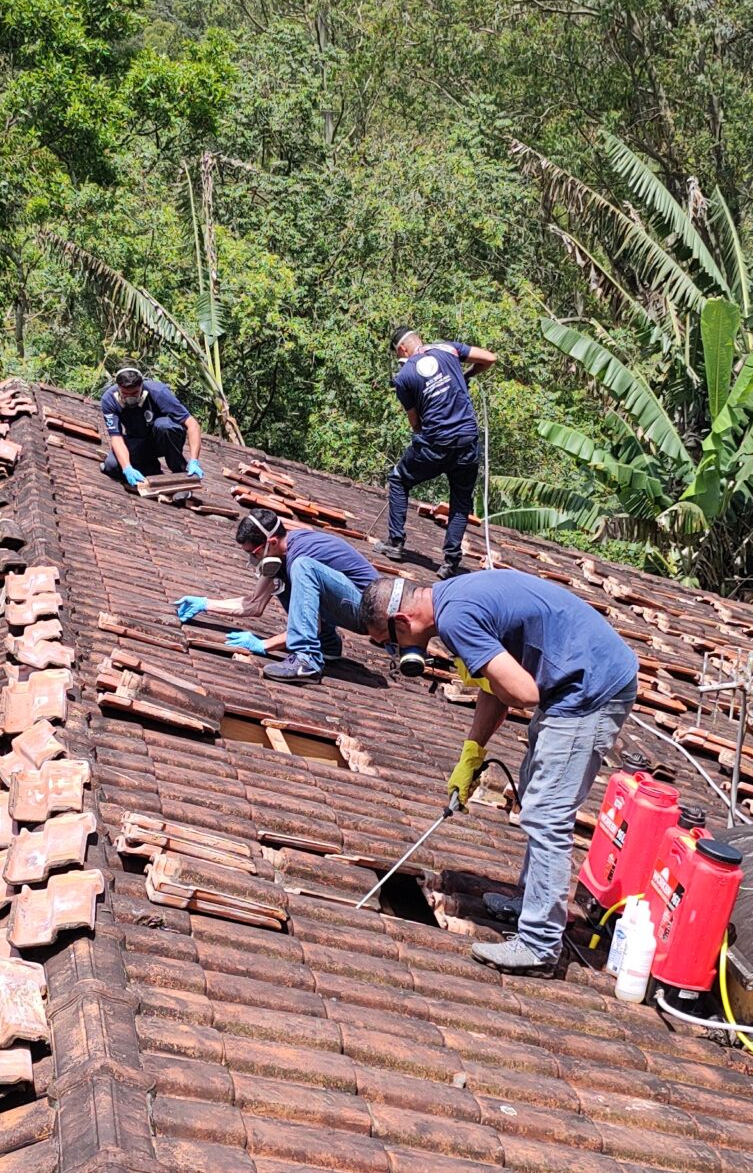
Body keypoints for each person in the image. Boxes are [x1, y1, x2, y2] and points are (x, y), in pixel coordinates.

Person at [365, 568, 637, 977]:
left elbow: (524, 693)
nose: (398, 653)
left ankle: (540, 944)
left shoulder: (455, 620)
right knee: (535, 788)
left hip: (590, 690)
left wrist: (479, 671)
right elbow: (494, 693)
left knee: (547, 813)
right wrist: (471, 756)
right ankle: (532, 902)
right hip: (575, 682)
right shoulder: (449, 599)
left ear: (403, 621)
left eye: (391, 643)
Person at [175, 510, 383, 682]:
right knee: (283, 581)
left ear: (272, 542)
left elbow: (312, 624)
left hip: (371, 613)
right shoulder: (282, 550)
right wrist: (204, 603)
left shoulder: (298, 559)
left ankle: (307, 659)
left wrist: (264, 645)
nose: (252, 559)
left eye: (254, 553)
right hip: (350, 603)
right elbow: (254, 604)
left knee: (299, 572)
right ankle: (328, 643)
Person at [384, 329, 496, 579]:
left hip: (435, 444)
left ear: (402, 350)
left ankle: (395, 543)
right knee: (460, 501)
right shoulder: (449, 349)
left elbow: (415, 423)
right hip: (466, 441)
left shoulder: (404, 377)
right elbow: (489, 358)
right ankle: (449, 563)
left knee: (399, 480)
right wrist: (466, 375)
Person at [100, 366, 203, 489]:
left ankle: (180, 473)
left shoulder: (158, 392)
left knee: (165, 426)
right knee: (112, 465)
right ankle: (152, 472)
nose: (130, 398)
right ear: (118, 388)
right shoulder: (109, 400)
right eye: (125, 394)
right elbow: (116, 438)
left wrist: (194, 460)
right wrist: (127, 467)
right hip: (139, 441)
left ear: (142, 387)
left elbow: (192, 424)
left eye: (134, 393)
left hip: (162, 439)